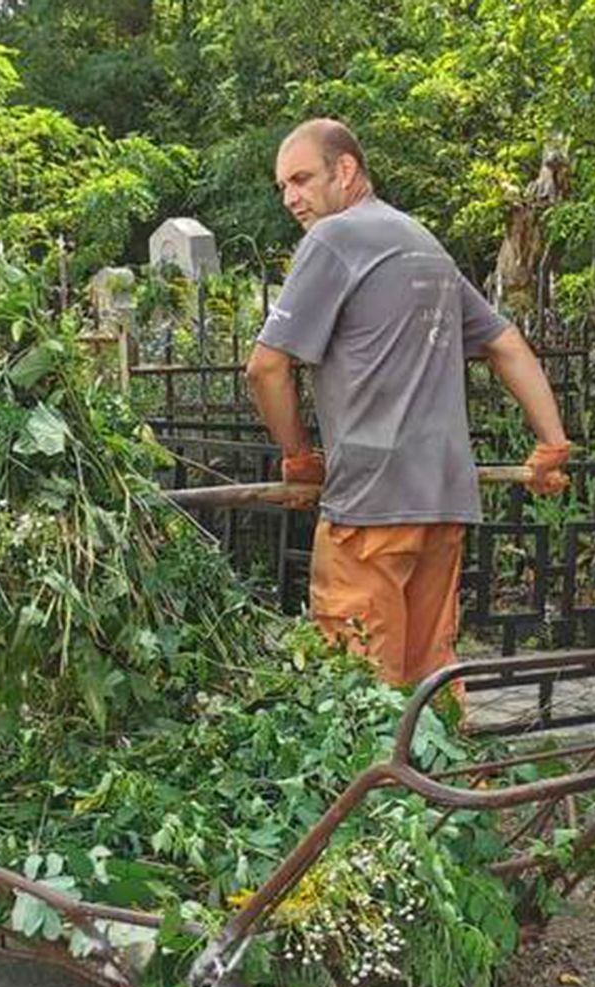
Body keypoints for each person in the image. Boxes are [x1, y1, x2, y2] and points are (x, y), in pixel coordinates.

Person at [244, 117, 572, 687]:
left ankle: (374, 780)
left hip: (370, 506)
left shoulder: (333, 238)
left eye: (301, 179)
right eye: (282, 187)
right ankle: (443, 778)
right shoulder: (422, 242)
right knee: (429, 683)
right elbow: (506, 343)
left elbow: (266, 367)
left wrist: (297, 456)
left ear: (345, 170)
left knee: (357, 689)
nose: (291, 198)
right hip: (443, 503)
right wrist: (552, 442)